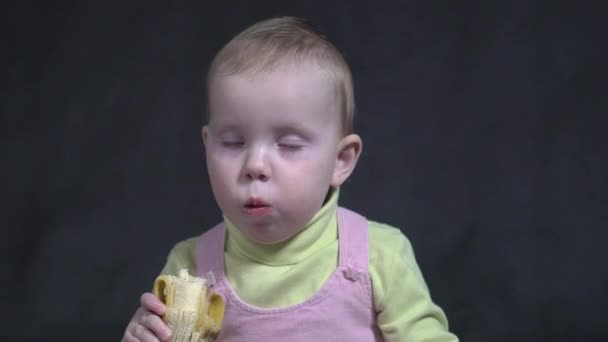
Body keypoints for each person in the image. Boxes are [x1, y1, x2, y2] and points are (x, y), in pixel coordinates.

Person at [122, 16, 458, 342]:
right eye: (233, 142)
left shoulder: (378, 257)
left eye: (288, 144)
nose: (255, 165)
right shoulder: (191, 266)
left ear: (340, 161)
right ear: (207, 146)